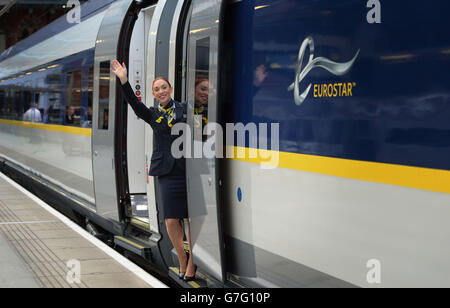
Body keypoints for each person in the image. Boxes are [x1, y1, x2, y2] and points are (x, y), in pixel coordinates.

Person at [110, 60, 197, 281]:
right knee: (171, 220)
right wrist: (124, 80)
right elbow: (133, 103)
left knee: (190, 219)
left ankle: (194, 261)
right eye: (156, 89)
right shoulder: (152, 115)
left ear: (170, 89)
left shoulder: (186, 109)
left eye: (163, 87)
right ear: (154, 93)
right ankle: (182, 258)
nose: (161, 92)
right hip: (167, 173)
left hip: (187, 170)